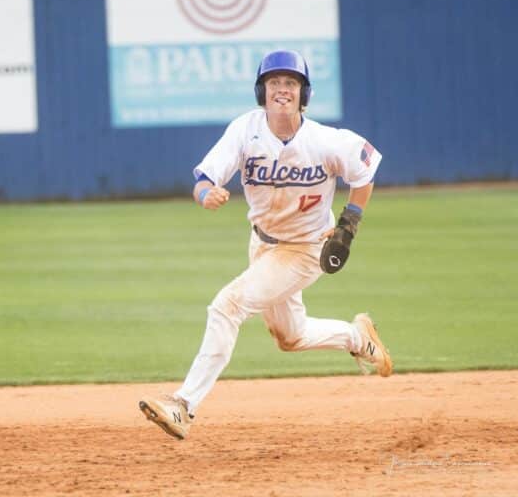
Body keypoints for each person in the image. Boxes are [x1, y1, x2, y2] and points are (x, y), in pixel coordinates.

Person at [139, 50, 393, 440]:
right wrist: (206, 192)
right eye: (274, 82)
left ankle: (183, 405)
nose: (282, 90)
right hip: (262, 244)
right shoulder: (246, 130)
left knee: (227, 305)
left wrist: (350, 222)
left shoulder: (325, 140)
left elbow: (365, 168)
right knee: (290, 337)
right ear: (262, 90)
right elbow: (204, 178)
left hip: (305, 248)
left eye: (290, 83)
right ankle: (358, 338)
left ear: (303, 93)